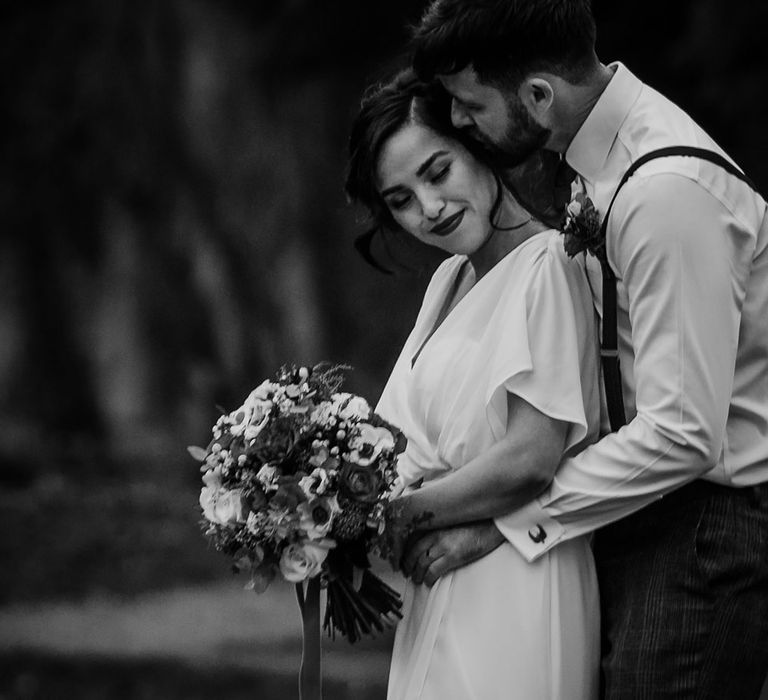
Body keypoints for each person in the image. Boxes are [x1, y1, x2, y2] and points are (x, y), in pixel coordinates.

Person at [406, 1, 768, 698]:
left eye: (469, 104)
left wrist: (510, 522)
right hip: (647, 508)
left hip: (706, 531)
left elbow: (684, 433)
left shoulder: (665, 194)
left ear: (539, 95)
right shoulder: (602, 156)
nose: (457, 122)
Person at [346, 68, 601, 700]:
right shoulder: (448, 281)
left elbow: (529, 457)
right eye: (401, 199)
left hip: (517, 582)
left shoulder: (547, 265)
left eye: (438, 172)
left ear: (479, 146)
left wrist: (387, 518)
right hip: (442, 578)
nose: (428, 209)